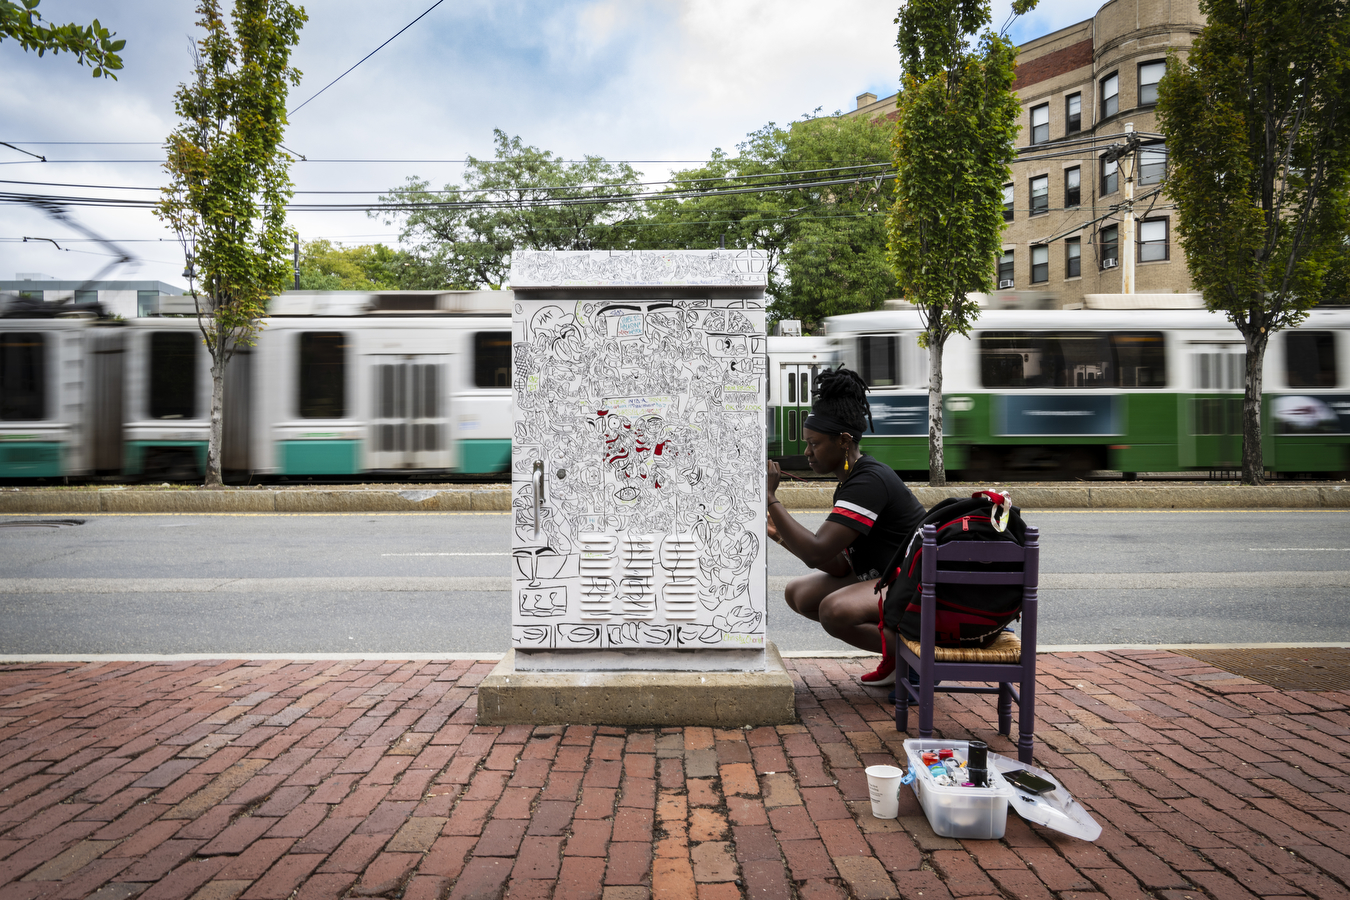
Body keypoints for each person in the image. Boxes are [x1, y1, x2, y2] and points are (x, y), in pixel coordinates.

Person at [765, 366, 926, 686]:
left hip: (915, 584)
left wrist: (769, 498)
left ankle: (919, 662)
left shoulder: (868, 481)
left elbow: (816, 552)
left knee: (834, 611)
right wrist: (780, 535)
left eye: (815, 444)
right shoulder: (852, 481)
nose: (807, 452)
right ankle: (899, 658)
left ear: (843, 440)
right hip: (886, 575)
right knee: (799, 594)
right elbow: (838, 565)